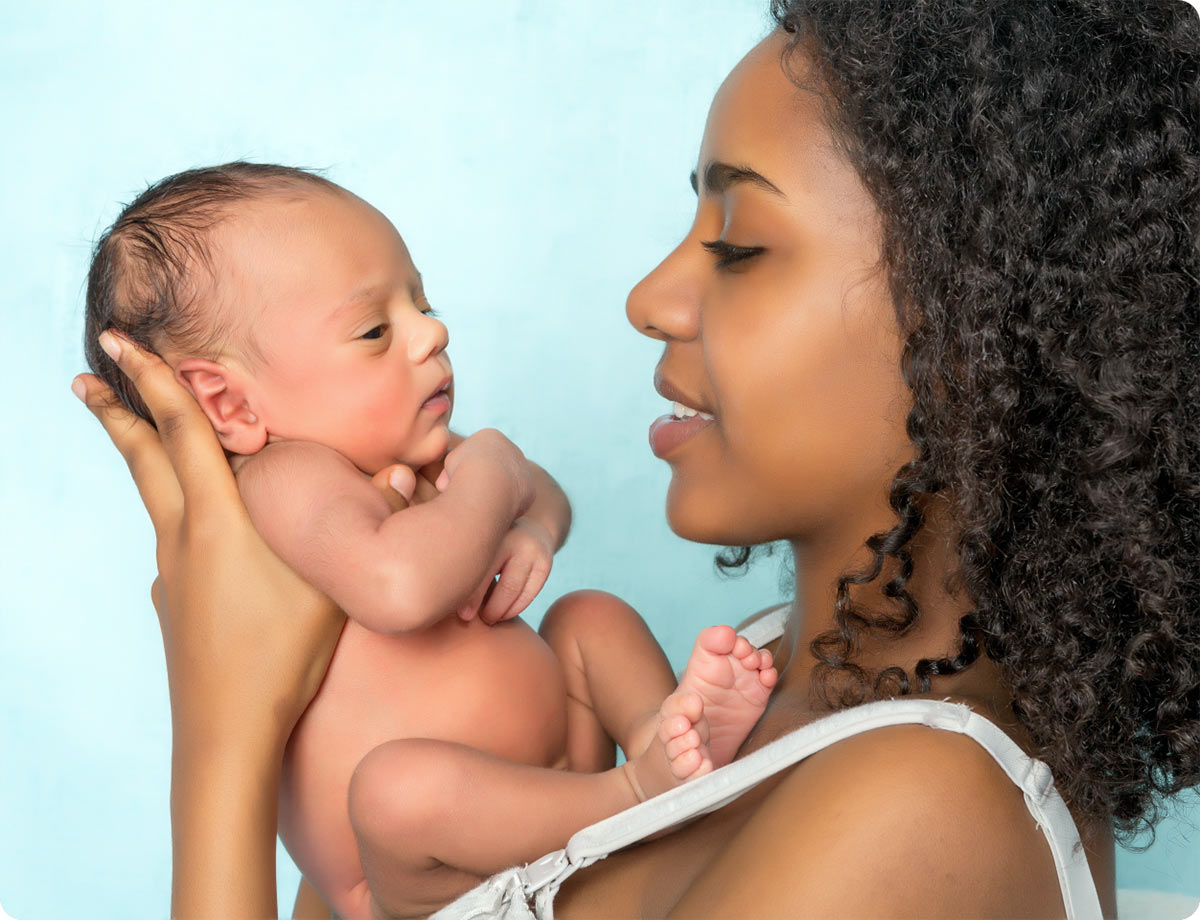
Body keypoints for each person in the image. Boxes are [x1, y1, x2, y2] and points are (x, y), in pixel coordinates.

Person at [73, 0, 1199, 916]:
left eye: (740, 244)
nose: (648, 296)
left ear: (982, 326)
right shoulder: (748, 684)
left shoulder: (914, 806)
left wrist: (222, 742)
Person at [80, 164, 778, 918]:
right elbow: (397, 589)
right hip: (423, 876)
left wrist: (532, 522)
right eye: (376, 329)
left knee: (587, 615)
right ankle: (643, 790)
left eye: (422, 302)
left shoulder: (410, 450)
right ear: (229, 403)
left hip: (560, 786)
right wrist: (496, 472)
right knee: (395, 791)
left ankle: (665, 736)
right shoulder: (287, 481)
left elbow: (541, 494)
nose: (432, 331)